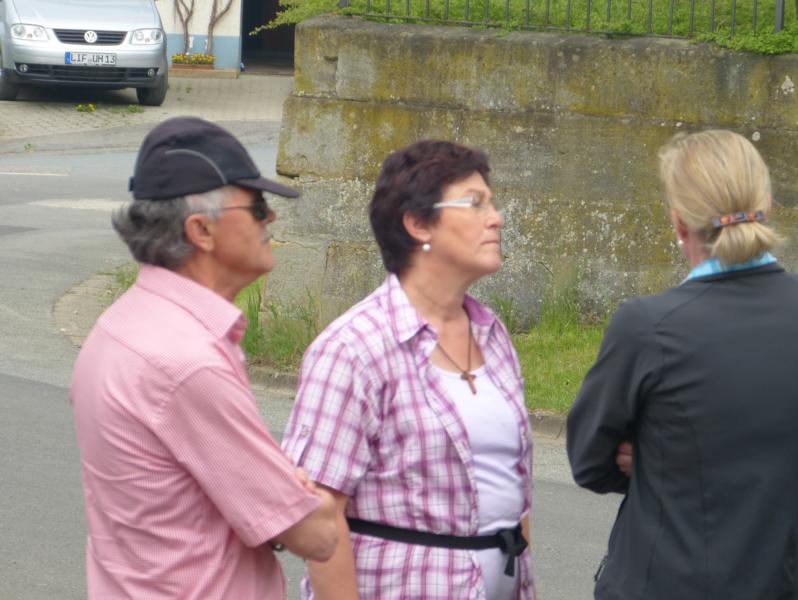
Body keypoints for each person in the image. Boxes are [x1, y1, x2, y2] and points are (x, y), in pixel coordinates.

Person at [69, 117, 339, 599]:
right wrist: (298, 494)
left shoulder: (119, 326)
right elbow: (314, 534)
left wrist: (280, 492)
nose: (271, 219)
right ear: (202, 230)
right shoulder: (187, 362)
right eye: (257, 206)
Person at [566, 129, 798, 599]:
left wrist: (661, 459)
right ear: (767, 203)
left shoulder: (648, 326)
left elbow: (590, 462)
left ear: (678, 224)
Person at [281, 140, 535, 599]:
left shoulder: (492, 335)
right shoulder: (352, 349)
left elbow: (512, 495)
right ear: (418, 223)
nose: (496, 218)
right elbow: (319, 513)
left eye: (492, 203)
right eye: (475, 204)